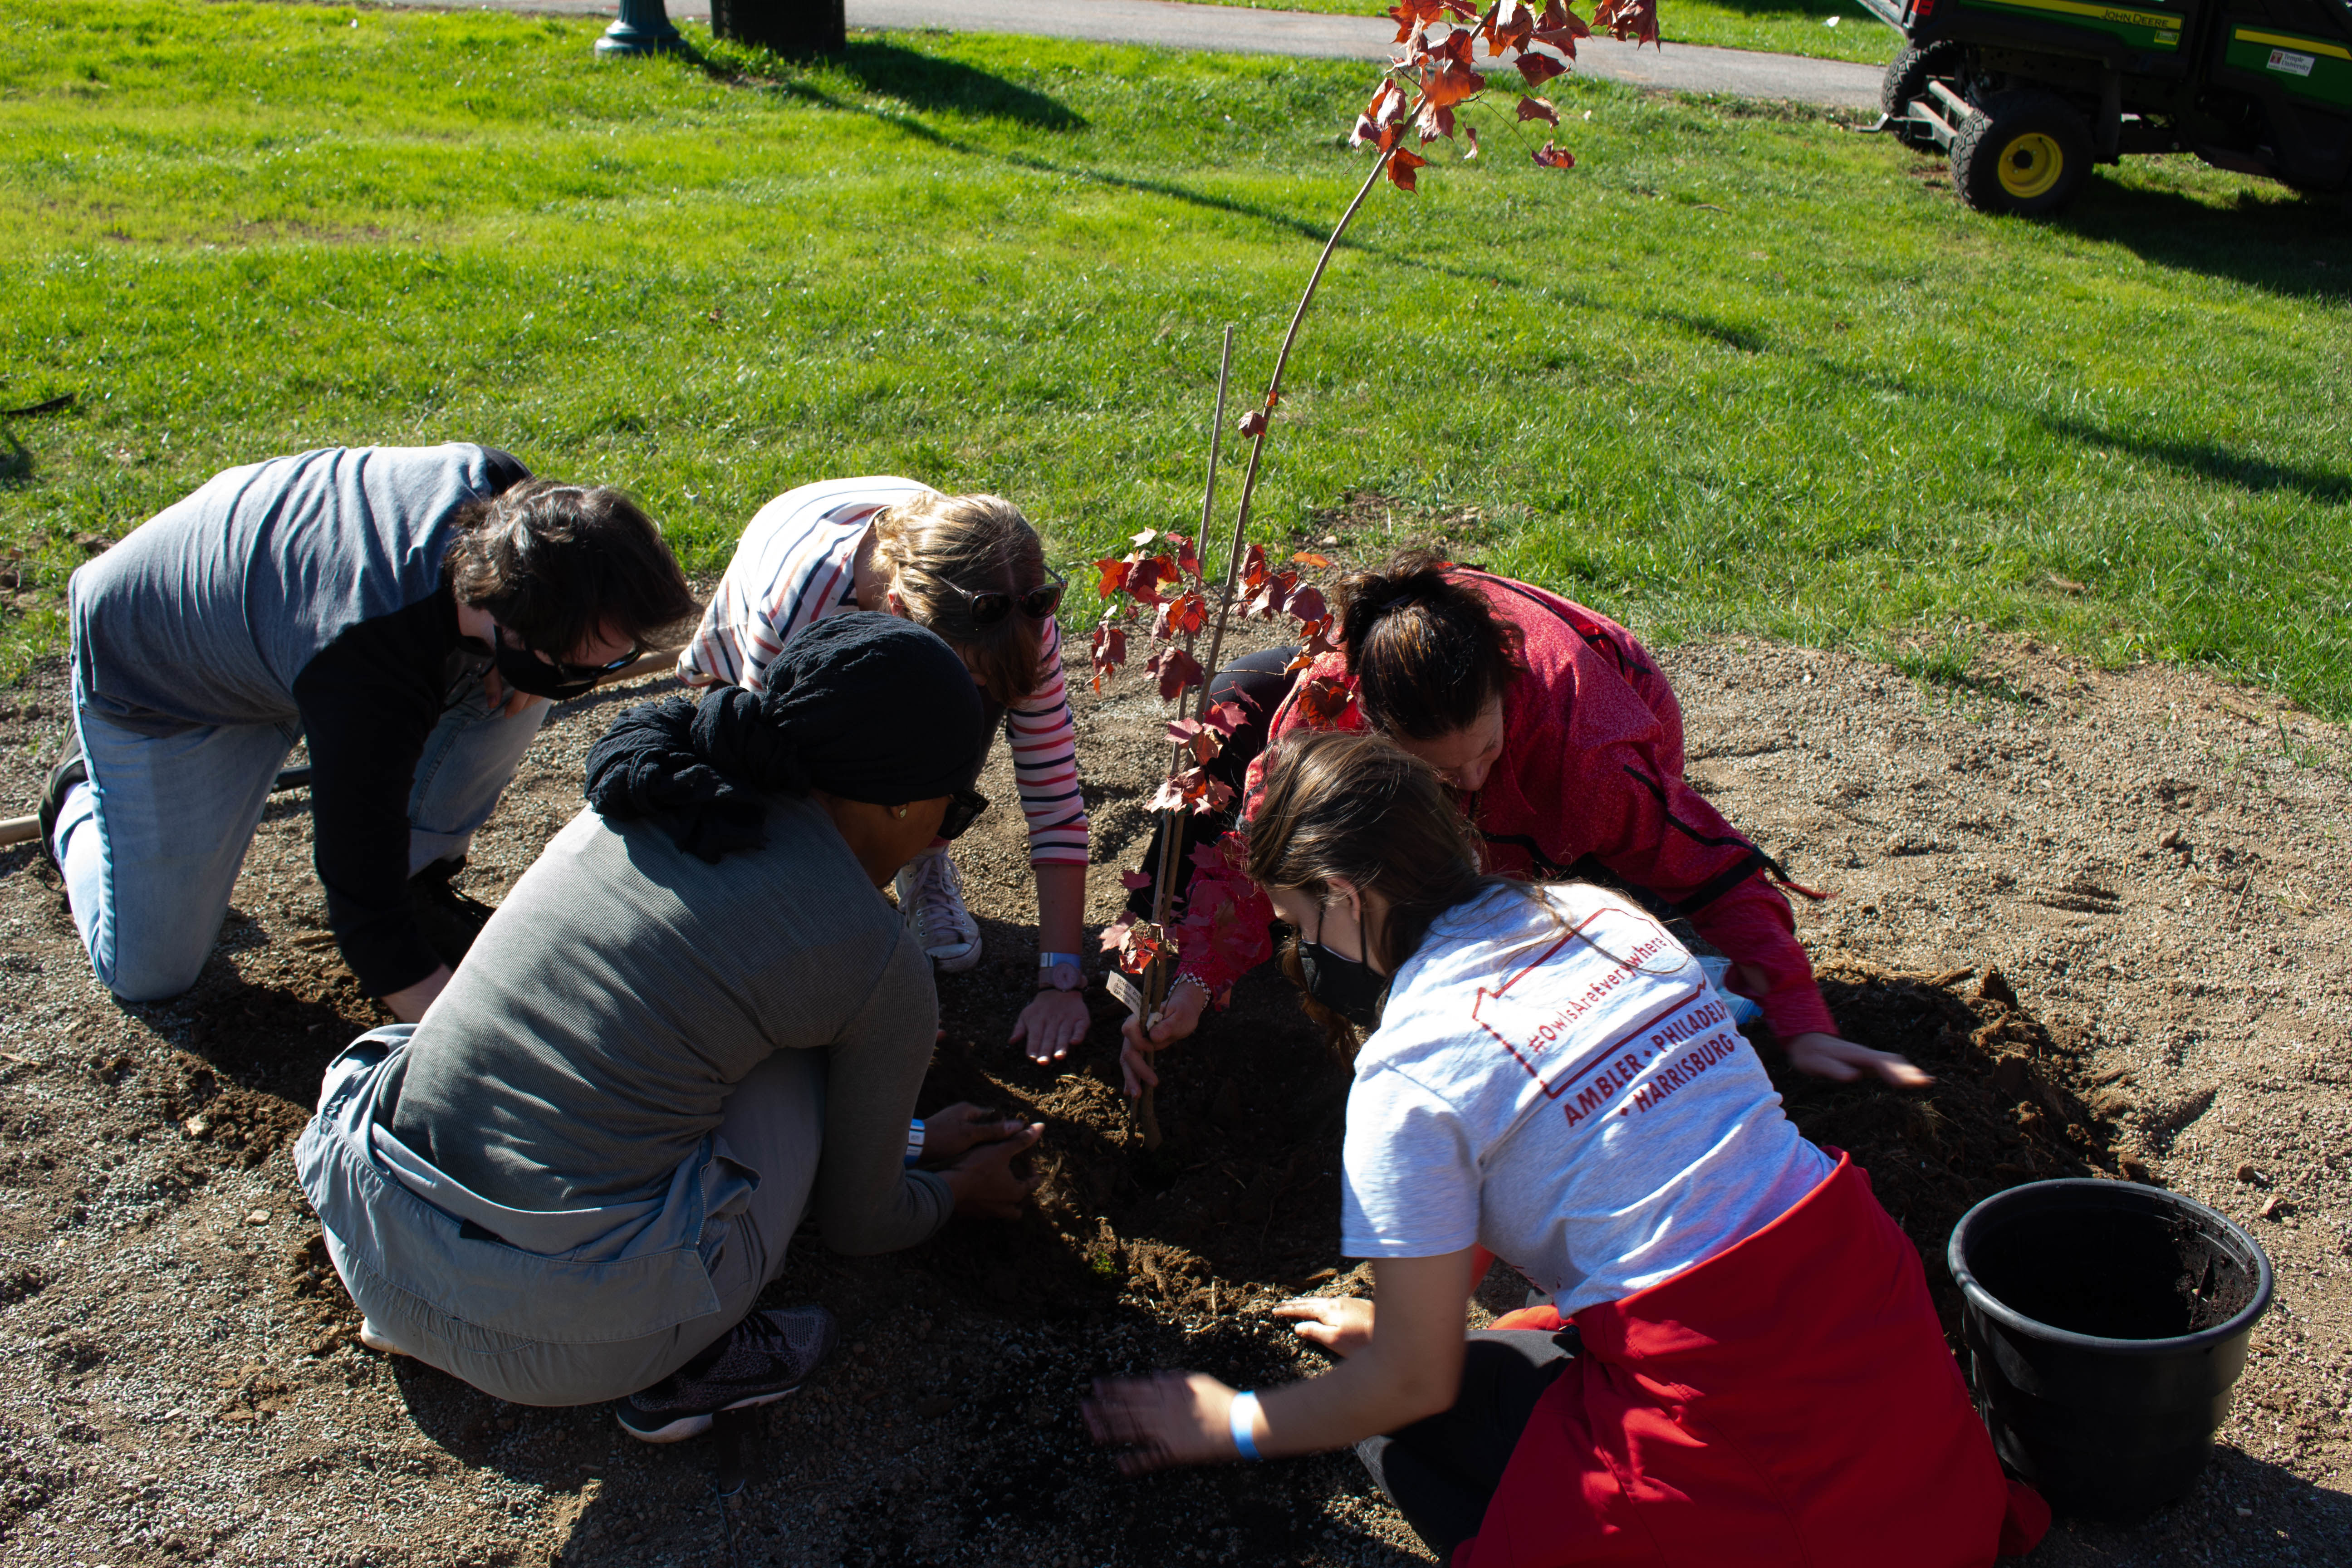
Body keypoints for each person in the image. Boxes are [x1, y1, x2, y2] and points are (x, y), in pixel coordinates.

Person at [1083, 732, 2047, 1567]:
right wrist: (1410, 1319)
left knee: (1399, 1434)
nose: (1308, 952)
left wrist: (1237, 1426)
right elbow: (1577, 1153)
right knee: (1498, 1363)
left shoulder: (1407, 1071)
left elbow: (1415, 1382)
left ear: (1342, 893)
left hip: (1727, 1405)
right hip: (1858, 1297)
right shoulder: (1601, 915)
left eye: (1299, 925)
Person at [295, 614, 1044, 1436]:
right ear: (900, 800)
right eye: (955, 811)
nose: (943, 833)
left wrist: (903, 1139)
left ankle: (427, 1315)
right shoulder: (869, 961)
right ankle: (689, 1364)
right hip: (563, 1345)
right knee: (800, 1064)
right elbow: (861, 1225)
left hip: (376, 1232)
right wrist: (949, 1191)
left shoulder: (659, 787)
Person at [1122, 550, 1926, 1095]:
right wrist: (1196, 981)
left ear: (1508, 693)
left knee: (1543, 929)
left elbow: (1712, 869)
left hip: (1598, 729)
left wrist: (1801, 1016)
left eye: (1485, 754)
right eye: (1444, 774)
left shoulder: (1594, 756)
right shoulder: (1325, 719)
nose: (1473, 781)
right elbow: (1265, 856)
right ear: (1378, 740)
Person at [43, 444, 697, 1021]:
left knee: (511, 699)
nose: (611, 669)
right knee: (151, 974)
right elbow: (363, 919)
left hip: (280, 615)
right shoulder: (370, 672)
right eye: (597, 661)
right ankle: (77, 797)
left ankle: (417, 876)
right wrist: (473, 1044)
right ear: (516, 628)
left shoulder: (510, 503)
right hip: (164, 676)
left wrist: (539, 666)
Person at [679, 478, 1092, 1063]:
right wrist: (855, 995)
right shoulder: (801, 607)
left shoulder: (1019, 614)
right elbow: (762, 785)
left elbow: (1054, 799)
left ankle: (922, 858)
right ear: (898, 610)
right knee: (808, 775)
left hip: (928, 575)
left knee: (956, 711)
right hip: (784, 548)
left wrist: (1060, 980)